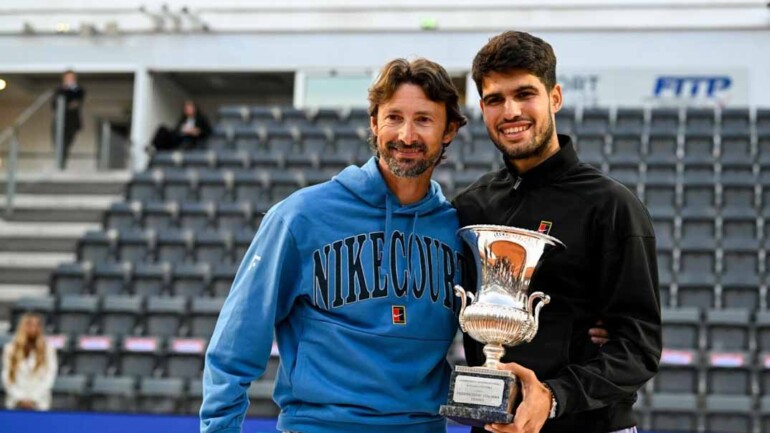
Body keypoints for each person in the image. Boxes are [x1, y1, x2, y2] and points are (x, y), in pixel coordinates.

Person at [201, 57, 468, 433]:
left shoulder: (456, 230)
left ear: (449, 130)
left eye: (423, 119)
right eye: (393, 117)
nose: (406, 135)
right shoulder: (300, 216)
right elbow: (236, 343)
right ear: (374, 124)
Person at [453, 31, 661, 433]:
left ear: (555, 97)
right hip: (495, 426)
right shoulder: (471, 206)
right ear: (482, 108)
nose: (510, 111)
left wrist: (553, 395)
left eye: (524, 94)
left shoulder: (612, 206)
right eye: (495, 99)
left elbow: (639, 347)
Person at [2, 313, 58, 410]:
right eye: (30, 325)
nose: (33, 329)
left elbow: (49, 377)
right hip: (15, 403)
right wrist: (20, 398)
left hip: (39, 403)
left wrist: (33, 398)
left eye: (37, 325)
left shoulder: (48, 350)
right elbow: (6, 376)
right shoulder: (10, 349)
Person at [51, 69, 85, 169]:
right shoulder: (59, 89)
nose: (68, 80)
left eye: (71, 78)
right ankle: (59, 164)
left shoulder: (78, 90)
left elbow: (76, 102)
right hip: (59, 121)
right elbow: (54, 105)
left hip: (71, 122)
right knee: (56, 142)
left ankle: (61, 165)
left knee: (66, 143)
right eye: (67, 78)